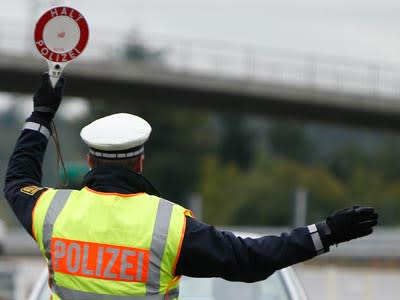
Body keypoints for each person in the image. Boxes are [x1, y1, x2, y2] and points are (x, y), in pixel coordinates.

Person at [4, 74, 378, 300]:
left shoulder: (52, 212)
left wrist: (41, 115)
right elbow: (251, 260)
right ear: (140, 161)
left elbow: (18, 181)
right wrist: (326, 232)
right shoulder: (169, 227)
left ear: (89, 160)